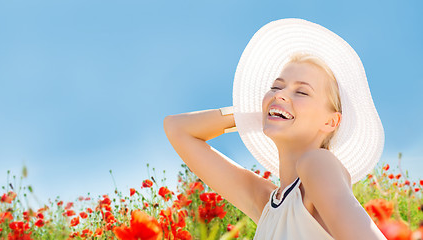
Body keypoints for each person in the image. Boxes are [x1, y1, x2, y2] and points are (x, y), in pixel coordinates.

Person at [164, 18, 387, 239]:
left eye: (301, 92)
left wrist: (276, 110)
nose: (280, 94)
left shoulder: (318, 163)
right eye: (276, 87)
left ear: (330, 122)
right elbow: (177, 128)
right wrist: (258, 113)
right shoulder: (268, 205)